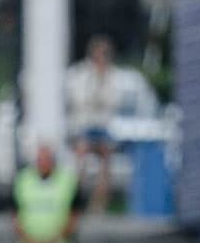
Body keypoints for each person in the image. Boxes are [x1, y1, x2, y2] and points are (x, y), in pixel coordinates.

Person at [65, 34, 155, 214]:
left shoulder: (113, 75)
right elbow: (78, 99)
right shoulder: (82, 74)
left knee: (106, 157)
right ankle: (76, 197)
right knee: (81, 153)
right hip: (84, 125)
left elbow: (114, 101)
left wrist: (100, 92)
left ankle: (99, 203)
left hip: (102, 126)